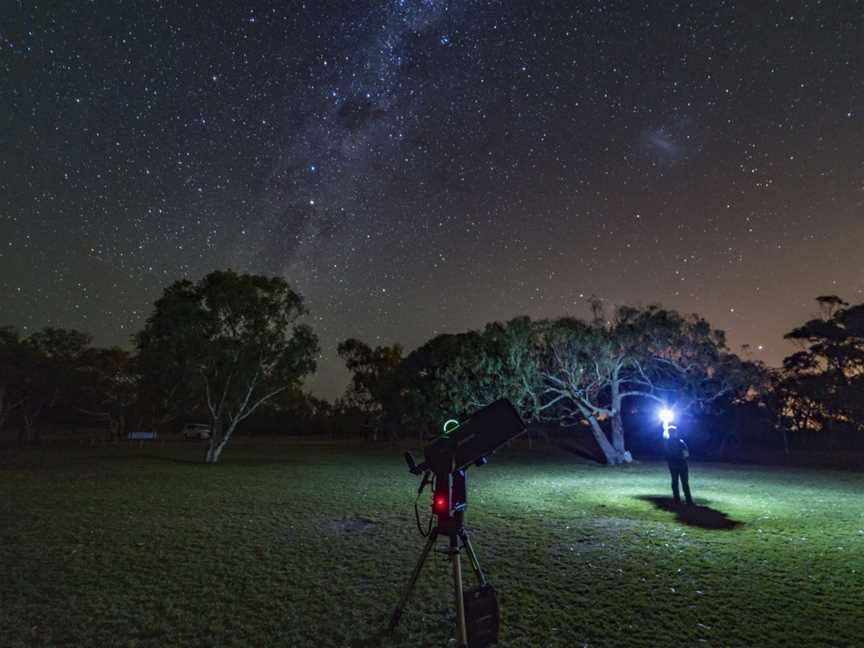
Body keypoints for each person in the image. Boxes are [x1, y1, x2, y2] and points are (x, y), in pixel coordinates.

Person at [663, 425, 694, 506]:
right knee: (683, 483)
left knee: (675, 482)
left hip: (674, 465)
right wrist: (682, 459)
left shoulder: (668, 443)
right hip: (681, 465)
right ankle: (688, 500)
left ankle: (677, 499)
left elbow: (667, 454)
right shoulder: (680, 442)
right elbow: (686, 454)